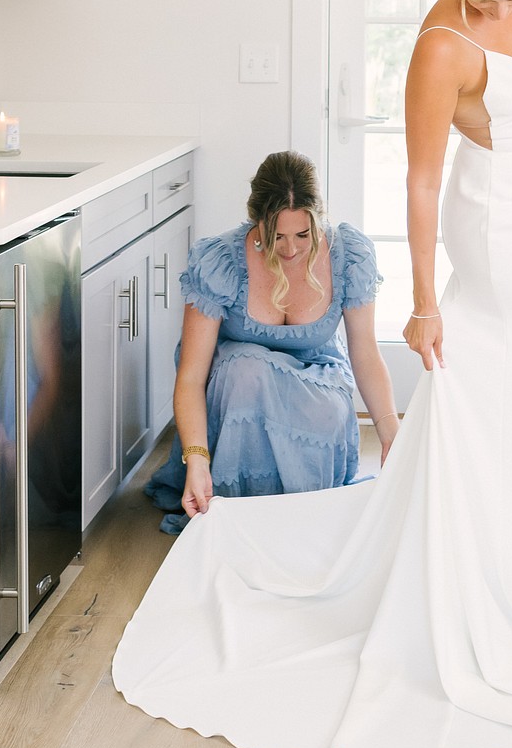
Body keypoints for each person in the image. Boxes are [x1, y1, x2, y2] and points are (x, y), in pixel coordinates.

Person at [113, 0, 512, 748]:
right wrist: (424, 300)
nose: (503, 14)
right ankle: (492, 575)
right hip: (489, 235)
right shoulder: (442, 48)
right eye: (487, 1)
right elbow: (418, 182)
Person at [145, 150, 398, 533]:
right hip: (237, 394)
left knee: (328, 409)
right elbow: (192, 376)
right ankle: (241, 513)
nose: (291, 249)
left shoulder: (349, 255)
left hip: (315, 379)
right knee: (248, 369)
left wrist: (390, 433)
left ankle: (302, 513)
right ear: (256, 220)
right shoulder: (221, 262)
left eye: (303, 234)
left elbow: (364, 353)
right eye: (276, 236)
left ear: (318, 220)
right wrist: (196, 459)